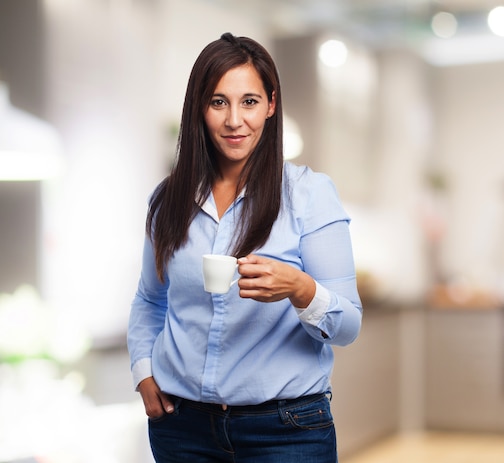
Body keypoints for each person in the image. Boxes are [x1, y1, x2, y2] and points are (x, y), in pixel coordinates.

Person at [127, 32, 362, 463]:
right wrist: (144, 371)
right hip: (182, 430)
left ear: (271, 105)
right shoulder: (168, 200)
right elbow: (149, 298)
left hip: (286, 432)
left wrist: (301, 289)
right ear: (199, 107)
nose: (235, 119)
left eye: (249, 101)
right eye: (219, 102)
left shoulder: (309, 195)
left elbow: (348, 326)